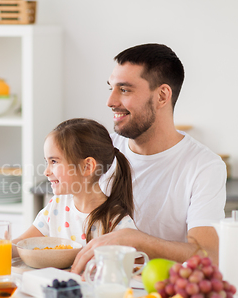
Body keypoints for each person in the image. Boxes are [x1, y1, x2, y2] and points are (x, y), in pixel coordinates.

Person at [71, 44, 226, 274]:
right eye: (111, 88)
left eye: (124, 90)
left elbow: (207, 257)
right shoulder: (102, 149)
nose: (110, 101)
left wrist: (136, 240)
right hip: (94, 288)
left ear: (162, 95)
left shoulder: (204, 167)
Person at [0, 118, 137, 260]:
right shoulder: (57, 207)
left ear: (87, 166)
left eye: (54, 161)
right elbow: (21, 245)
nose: (46, 171)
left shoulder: (118, 223)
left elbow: (132, 270)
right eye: (46, 162)